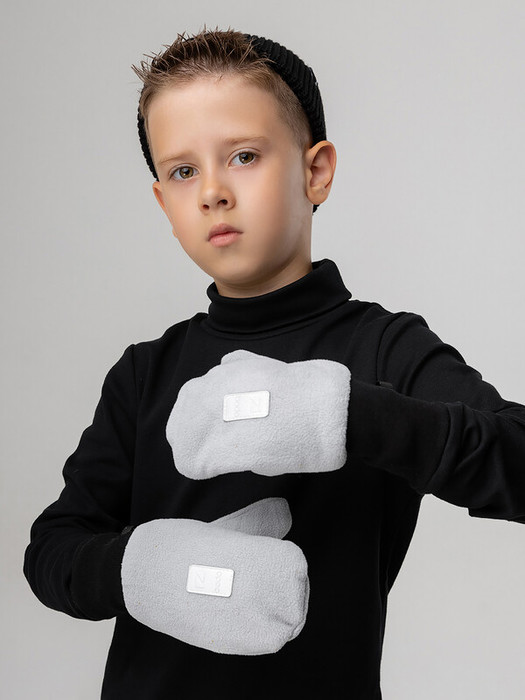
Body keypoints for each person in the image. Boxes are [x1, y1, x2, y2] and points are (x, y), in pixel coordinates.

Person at [23, 28, 525, 699]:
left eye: (243, 156)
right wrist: (140, 570)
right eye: (183, 171)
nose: (212, 191)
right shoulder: (144, 374)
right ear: (164, 203)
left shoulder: (385, 349)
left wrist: (347, 414)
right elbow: (52, 550)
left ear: (315, 171)